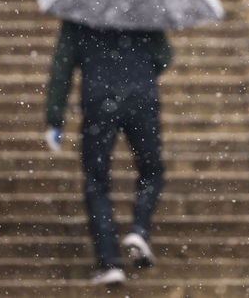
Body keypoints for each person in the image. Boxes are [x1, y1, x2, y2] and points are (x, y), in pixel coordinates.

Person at [44, 19, 172, 286]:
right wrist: (138, 73)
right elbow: (164, 56)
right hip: (141, 98)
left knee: (96, 181)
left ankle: (109, 262)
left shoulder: (78, 11)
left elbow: (62, 64)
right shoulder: (142, 6)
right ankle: (139, 229)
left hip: (98, 99)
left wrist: (55, 116)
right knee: (151, 170)